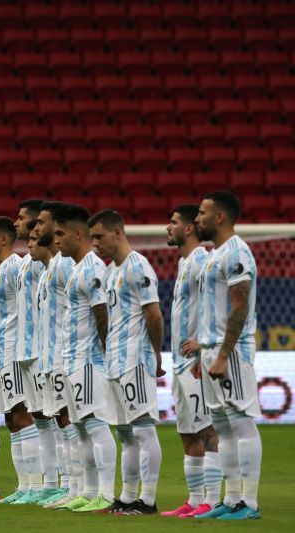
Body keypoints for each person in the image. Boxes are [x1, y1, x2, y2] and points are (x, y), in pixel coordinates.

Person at [89, 209, 165, 515]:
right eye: (92, 237)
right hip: (115, 363)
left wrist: (155, 353)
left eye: (99, 236)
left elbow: (154, 315)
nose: (95, 243)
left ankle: (147, 500)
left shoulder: (138, 267)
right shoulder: (111, 272)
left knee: (144, 430)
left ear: (117, 233)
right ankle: (127, 497)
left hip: (136, 360)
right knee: (125, 434)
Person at [193, 190, 262, 520]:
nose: (197, 219)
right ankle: (231, 498)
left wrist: (222, 355)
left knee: (241, 424)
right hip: (212, 352)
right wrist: (203, 354)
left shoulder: (237, 253)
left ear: (219, 216)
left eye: (202, 213)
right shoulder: (213, 254)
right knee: (222, 427)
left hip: (231, 353)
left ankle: (248, 503)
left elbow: (239, 307)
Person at [54, 204, 118, 513]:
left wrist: (108, 358)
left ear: (77, 234)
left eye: (60, 233)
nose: (57, 240)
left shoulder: (93, 267)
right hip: (72, 362)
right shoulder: (77, 269)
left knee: (95, 425)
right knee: (79, 428)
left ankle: (105, 494)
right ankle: (88, 492)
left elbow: (102, 315)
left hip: (90, 361)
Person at [161, 205, 222, 518]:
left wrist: (203, 346)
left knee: (207, 431)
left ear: (188, 228)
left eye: (173, 223)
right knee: (187, 432)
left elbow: (216, 301)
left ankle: (212, 500)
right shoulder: (185, 261)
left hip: (195, 361)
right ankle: (195, 499)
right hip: (179, 362)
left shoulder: (200, 259)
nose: (167, 228)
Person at [0, 216, 40, 505]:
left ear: (3, 240)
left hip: (16, 353)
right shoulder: (3, 268)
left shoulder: (16, 266)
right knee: (10, 419)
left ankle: (35, 486)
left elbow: (25, 312)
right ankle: (24, 486)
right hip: (2, 352)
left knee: (22, 414)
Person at [34, 202, 79, 510]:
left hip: (67, 355)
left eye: (41, 222)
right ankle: (69, 487)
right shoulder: (51, 267)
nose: (37, 228)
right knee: (61, 420)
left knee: (71, 420)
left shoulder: (66, 263)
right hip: (51, 357)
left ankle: (77, 488)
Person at [12, 202, 54, 506]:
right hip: (26, 351)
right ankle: (40, 485)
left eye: (23, 219)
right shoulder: (27, 261)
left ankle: (62, 484)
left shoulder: (49, 262)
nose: (19, 223)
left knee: (56, 417)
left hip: (45, 351)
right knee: (39, 416)